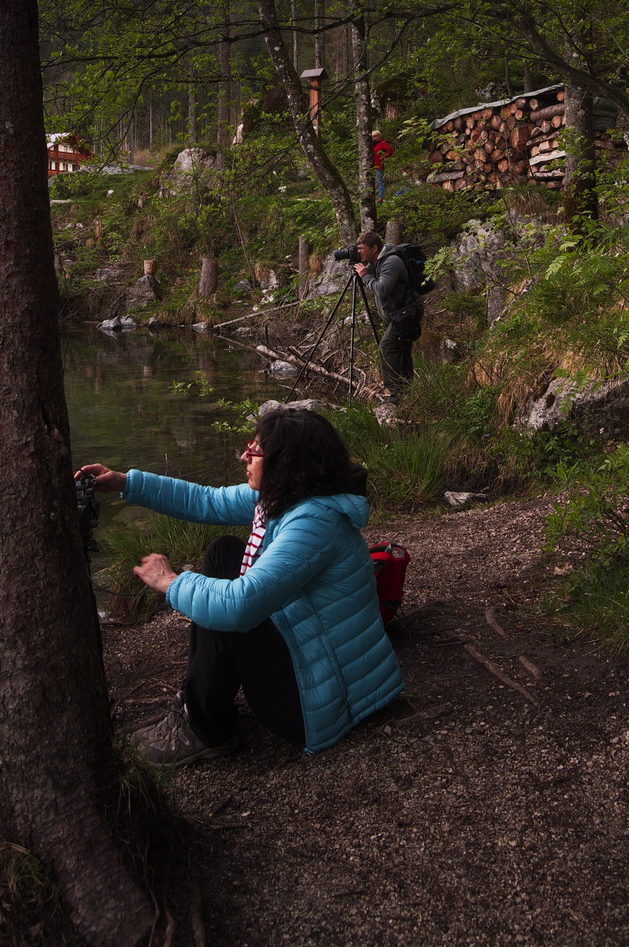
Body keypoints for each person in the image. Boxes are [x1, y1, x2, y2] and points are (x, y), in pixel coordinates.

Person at [80, 409, 403, 766]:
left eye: (256, 450)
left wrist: (171, 581)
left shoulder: (314, 522)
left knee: (231, 612)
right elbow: (207, 501)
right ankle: (199, 706)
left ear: (287, 462)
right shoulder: (289, 496)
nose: (244, 455)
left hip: (324, 699)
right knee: (224, 553)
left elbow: (239, 606)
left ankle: (205, 728)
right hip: (311, 653)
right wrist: (127, 482)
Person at [354, 230, 422, 404]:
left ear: (374, 248)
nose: (358, 251)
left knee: (387, 347)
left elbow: (382, 290)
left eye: (361, 248)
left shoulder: (390, 262)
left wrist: (365, 276)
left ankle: (395, 395)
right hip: (401, 313)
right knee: (402, 351)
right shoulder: (376, 262)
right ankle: (407, 391)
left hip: (407, 313)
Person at [372, 129, 393, 202]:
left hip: (379, 165)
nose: (374, 138)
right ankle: (372, 197)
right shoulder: (372, 144)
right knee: (370, 181)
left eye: (375, 136)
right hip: (371, 165)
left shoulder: (382, 143)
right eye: (373, 137)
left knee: (379, 182)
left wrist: (383, 157)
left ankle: (380, 197)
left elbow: (390, 151)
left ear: (379, 136)